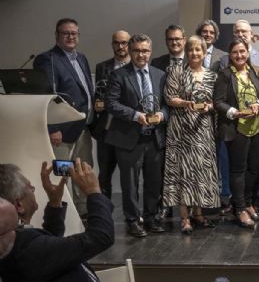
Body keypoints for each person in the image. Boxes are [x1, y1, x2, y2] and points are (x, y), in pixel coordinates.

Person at [0, 160, 114, 282]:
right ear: (19, 205)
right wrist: (93, 191)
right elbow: (100, 237)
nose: (33, 188)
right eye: (29, 186)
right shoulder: (26, 249)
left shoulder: (17, 240)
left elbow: (50, 250)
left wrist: (55, 204)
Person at [105, 33, 169, 237]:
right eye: (137, 51)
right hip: (129, 138)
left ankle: (151, 218)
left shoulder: (160, 74)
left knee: (154, 182)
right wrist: (135, 115)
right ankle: (133, 220)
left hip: (155, 137)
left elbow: (168, 105)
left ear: (151, 52)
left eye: (145, 50)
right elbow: (111, 104)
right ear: (130, 52)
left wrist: (162, 114)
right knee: (130, 184)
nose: (141, 55)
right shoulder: (118, 75)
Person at [33, 18, 94, 218]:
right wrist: (53, 128)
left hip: (83, 128)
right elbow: (47, 96)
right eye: (65, 33)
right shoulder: (47, 59)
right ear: (57, 35)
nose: (70, 36)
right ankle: (63, 214)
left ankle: (83, 212)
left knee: (83, 171)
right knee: (63, 173)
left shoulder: (81, 58)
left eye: (74, 33)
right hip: (62, 131)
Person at [163, 35, 220, 234]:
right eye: (191, 50)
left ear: (205, 52)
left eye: (198, 50)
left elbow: (217, 102)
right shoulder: (176, 71)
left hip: (203, 129)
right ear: (186, 52)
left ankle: (198, 213)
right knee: (183, 172)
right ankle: (184, 217)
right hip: (181, 130)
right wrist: (185, 103)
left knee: (201, 171)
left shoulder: (212, 76)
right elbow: (170, 98)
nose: (194, 53)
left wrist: (209, 106)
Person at [214, 38, 259, 229]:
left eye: (242, 51)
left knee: (253, 169)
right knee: (238, 170)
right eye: (235, 52)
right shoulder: (225, 75)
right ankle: (240, 209)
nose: (239, 55)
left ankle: (249, 202)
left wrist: (257, 105)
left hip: (256, 127)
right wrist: (235, 112)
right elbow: (218, 102)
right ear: (230, 54)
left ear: (248, 52)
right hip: (236, 129)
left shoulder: (255, 72)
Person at [92, 30, 131, 200]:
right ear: (112, 44)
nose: (120, 46)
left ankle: (132, 213)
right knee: (104, 174)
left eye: (124, 42)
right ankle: (105, 210)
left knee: (130, 176)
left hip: (130, 130)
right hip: (107, 128)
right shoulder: (102, 67)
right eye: (117, 42)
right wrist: (97, 103)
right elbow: (99, 94)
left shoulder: (137, 66)